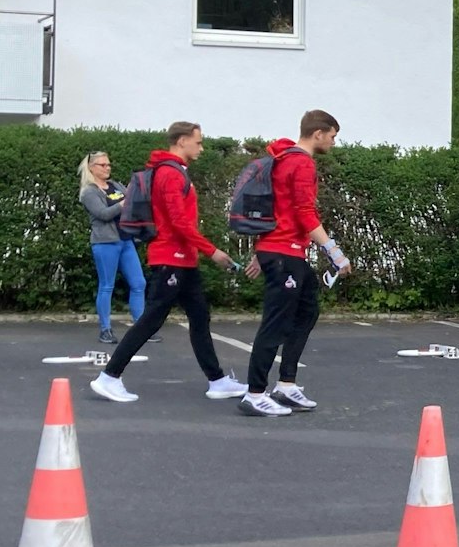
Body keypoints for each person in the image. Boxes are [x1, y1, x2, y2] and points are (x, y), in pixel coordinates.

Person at [88, 122, 248, 405]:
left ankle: (218, 380)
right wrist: (212, 251)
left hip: (182, 260)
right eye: (198, 142)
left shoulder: (175, 172)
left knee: (199, 317)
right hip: (170, 259)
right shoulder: (170, 175)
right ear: (182, 141)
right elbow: (177, 222)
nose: (201, 147)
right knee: (151, 320)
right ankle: (109, 377)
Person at [239, 109, 352, 418]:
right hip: (284, 253)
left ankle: (286, 385)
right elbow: (304, 212)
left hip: (284, 251)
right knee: (275, 324)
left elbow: (273, 208)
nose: (333, 141)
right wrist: (333, 250)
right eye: (332, 135)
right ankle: (255, 393)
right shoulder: (301, 163)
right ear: (318, 133)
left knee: (307, 311)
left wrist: (261, 250)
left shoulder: (282, 159)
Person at [78, 150, 146, 343]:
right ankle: (105, 329)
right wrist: (123, 204)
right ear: (92, 168)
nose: (107, 168)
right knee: (107, 286)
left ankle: (141, 328)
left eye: (108, 164)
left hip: (125, 240)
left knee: (139, 283)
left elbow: (133, 202)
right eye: (103, 165)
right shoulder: (89, 192)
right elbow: (103, 214)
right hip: (105, 242)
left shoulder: (115, 185)